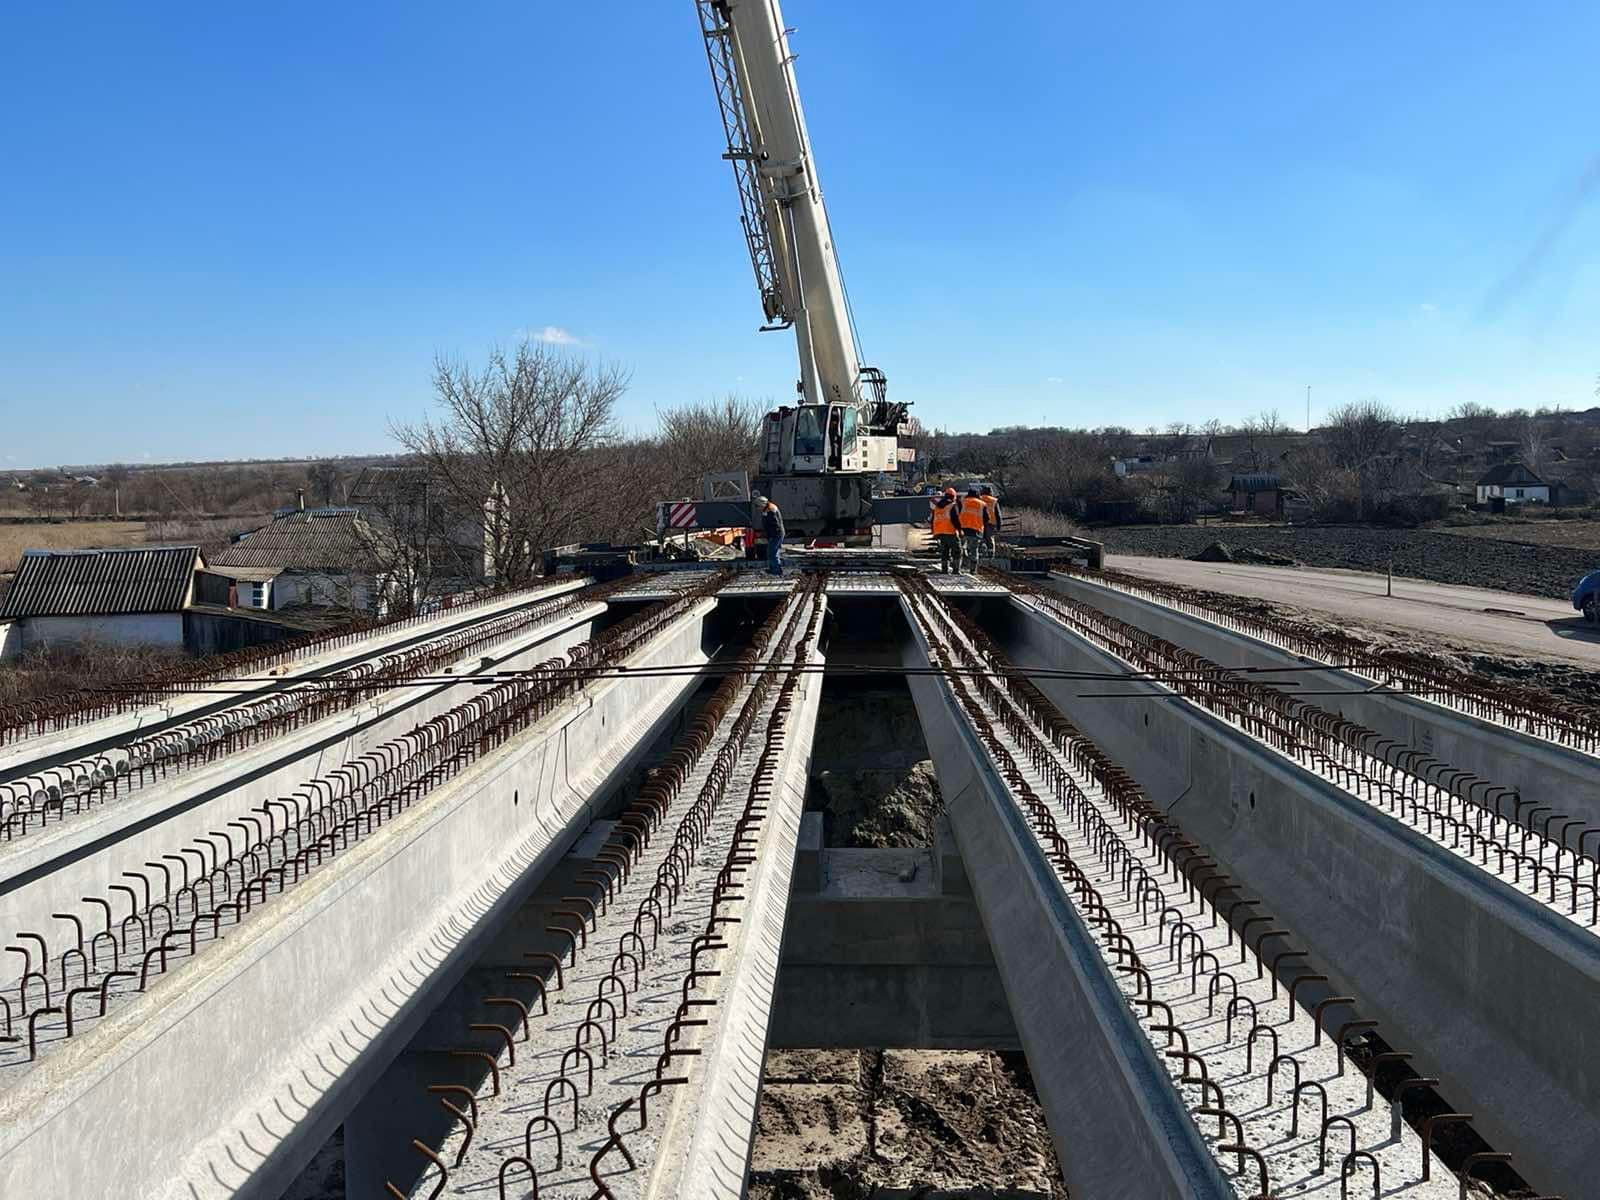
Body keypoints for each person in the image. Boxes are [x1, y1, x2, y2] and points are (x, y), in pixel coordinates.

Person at [957, 485, 989, 574]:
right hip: (976, 531)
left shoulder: (962, 502)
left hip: (963, 530)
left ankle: (958, 568)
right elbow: (987, 519)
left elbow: (958, 514)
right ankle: (973, 570)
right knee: (974, 550)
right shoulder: (982, 504)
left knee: (960, 548)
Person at [929, 486, 961, 573]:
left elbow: (933, 520)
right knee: (957, 551)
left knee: (944, 552)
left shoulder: (937, 507)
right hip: (950, 531)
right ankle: (956, 570)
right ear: (953, 496)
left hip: (940, 532)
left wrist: (933, 531)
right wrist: (960, 529)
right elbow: (955, 519)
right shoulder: (952, 506)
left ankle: (944, 570)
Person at [756, 494, 785, 576]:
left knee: (772, 552)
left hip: (776, 534)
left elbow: (775, 524)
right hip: (774, 534)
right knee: (771, 552)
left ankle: (776, 571)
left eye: (758, 506)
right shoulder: (767, 509)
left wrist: (771, 534)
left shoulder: (770, 510)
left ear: (762, 504)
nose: (758, 508)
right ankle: (773, 569)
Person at [980, 484, 1002, 561]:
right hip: (991, 523)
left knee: (981, 539)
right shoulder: (994, 501)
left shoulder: (979, 499)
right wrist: (999, 526)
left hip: (980, 523)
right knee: (990, 539)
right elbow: (998, 514)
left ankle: (981, 555)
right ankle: (991, 556)